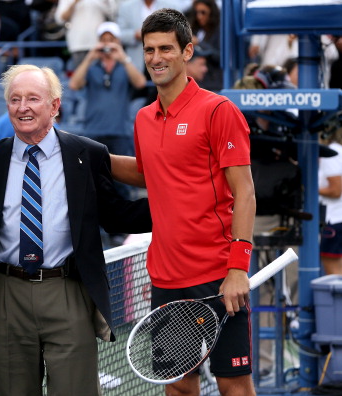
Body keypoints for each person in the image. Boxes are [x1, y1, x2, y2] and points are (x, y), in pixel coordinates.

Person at [0, 64, 152, 396]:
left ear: (54, 106)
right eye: (15, 99)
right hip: (5, 296)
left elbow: (117, 216)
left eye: (33, 98)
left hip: (68, 291)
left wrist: (176, 208)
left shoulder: (87, 155)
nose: (23, 108)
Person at [110, 9, 256, 395]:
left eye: (166, 49)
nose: (156, 57)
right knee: (178, 388)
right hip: (166, 279)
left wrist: (238, 268)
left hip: (217, 276)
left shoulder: (218, 110)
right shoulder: (143, 118)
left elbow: (245, 192)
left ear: (187, 51)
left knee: (234, 386)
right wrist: (92, 158)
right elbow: (150, 172)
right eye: (149, 50)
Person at [69, 21, 146, 201]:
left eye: (111, 40)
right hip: (93, 130)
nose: (107, 44)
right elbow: (74, 84)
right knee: (92, 181)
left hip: (119, 131)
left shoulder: (125, 64)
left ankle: (123, 227)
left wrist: (123, 57)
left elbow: (140, 82)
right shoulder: (92, 66)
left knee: (122, 184)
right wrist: (90, 57)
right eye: (104, 40)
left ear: (118, 41)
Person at [117, 0, 182, 73]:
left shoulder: (172, 6)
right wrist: (135, 35)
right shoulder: (126, 7)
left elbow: (180, 32)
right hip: (136, 63)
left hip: (165, 60)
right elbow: (119, 34)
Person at [55, 0, 117, 69]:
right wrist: (75, 2)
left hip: (98, 44)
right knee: (79, 77)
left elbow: (113, 14)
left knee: (98, 77)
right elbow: (60, 19)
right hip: (78, 44)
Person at [319, 127, 342, 276]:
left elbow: (336, 190)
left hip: (333, 220)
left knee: (334, 275)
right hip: (337, 218)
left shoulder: (331, 152)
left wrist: (308, 188)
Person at [188, 0, 221, 91]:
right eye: (197, 12)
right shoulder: (194, 29)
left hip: (214, 81)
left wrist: (199, 43)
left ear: (211, 12)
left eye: (203, 12)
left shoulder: (220, 31)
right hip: (196, 80)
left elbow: (220, 57)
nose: (199, 16)